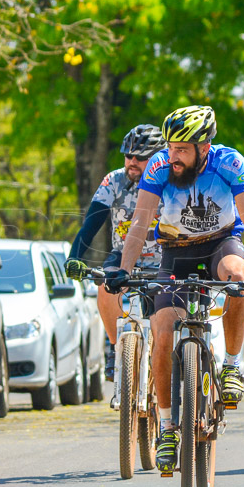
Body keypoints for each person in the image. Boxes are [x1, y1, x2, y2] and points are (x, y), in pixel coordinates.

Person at [103, 105, 244, 474]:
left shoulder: (230, 164)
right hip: (176, 252)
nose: (173, 156)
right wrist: (122, 269)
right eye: (170, 147)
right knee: (163, 330)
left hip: (220, 243)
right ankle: (168, 426)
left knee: (236, 275)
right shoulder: (160, 168)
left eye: (182, 149)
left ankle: (231, 365)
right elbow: (139, 223)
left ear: (205, 146)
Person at [64, 125, 166, 380]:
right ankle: (115, 347)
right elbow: (91, 223)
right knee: (104, 287)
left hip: (164, 259)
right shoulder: (115, 181)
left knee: (163, 318)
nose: (132, 162)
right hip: (123, 256)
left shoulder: (170, 182)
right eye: (128, 155)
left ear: (157, 158)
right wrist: (75, 257)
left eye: (141, 157)